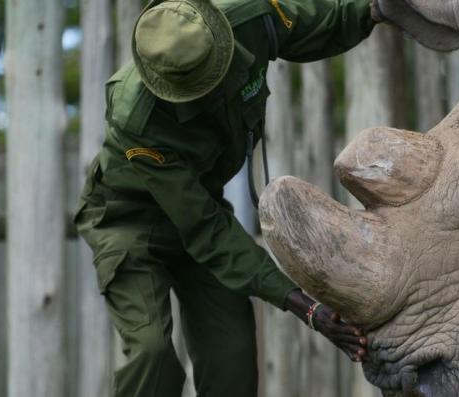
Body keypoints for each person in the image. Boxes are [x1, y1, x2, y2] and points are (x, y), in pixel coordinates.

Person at [73, 0, 380, 395]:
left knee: (231, 353)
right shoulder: (139, 118)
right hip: (129, 222)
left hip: (202, 205)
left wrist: (375, 9)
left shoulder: (249, 17)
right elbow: (205, 230)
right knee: (151, 356)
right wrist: (305, 307)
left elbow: (320, 23)